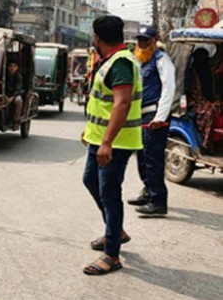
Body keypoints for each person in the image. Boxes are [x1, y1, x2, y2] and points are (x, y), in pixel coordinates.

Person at [81, 15, 143, 276]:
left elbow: (122, 104)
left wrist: (106, 142)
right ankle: (115, 232)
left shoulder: (120, 64)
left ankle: (112, 255)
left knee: (109, 192)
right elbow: (102, 104)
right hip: (101, 138)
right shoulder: (110, 61)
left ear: (97, 38)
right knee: (90, 180)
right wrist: (90, 131)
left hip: (115, 142)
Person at [128, 25, 174, 216]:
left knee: (153, 160)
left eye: (146, 40)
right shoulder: (141, 61)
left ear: (154, 40)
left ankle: (158, 201)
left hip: (154, 116)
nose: (142, 43)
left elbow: (168, 89)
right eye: (140, 40)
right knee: (142, 157)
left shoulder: (162, 60)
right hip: (141, 115)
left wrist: (159, 117)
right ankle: (148, 191)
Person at [5, 61, 23, 130]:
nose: (12, 68)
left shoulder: (18, 76)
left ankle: (16, 121)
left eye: (14, 66)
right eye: (10, 66)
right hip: (5, 94)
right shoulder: (4, 75)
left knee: (18, 101)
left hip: (15, 94)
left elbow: (17, 89)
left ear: (17, 68)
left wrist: (11, 98)